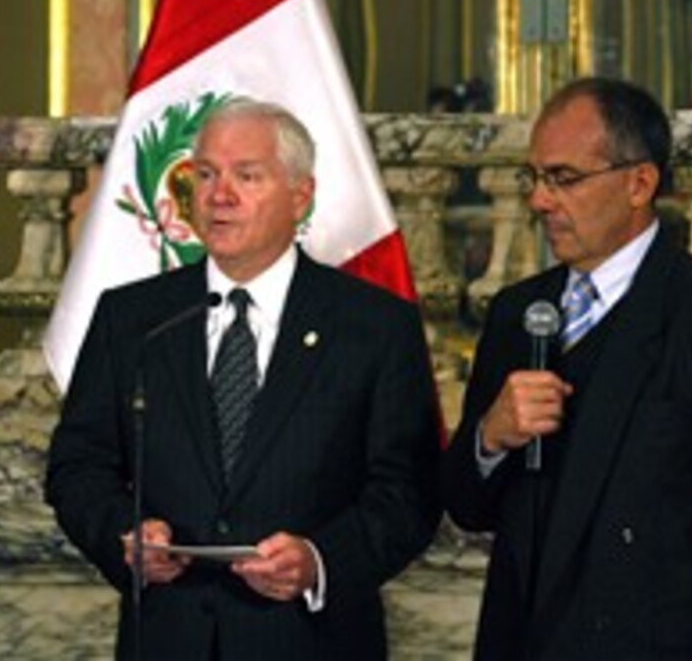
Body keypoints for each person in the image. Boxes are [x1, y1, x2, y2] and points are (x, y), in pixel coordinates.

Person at [46, 97, 441, 660]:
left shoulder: (374, 326)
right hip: (167, 638)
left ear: (300, 196)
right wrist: (124, 537)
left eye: (247, 176)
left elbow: (410, 493)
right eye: (204, 174)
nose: (218, 195)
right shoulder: (132, 319)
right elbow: (77, 465)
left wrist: (319, 560)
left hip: (310, 642)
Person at [443, 77, 692, 658]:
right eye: (533, 178)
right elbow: (466, 504)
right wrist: (490, 437)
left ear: (639, 183)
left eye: (564, 179)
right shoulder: (516, 315)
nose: (539, 201)